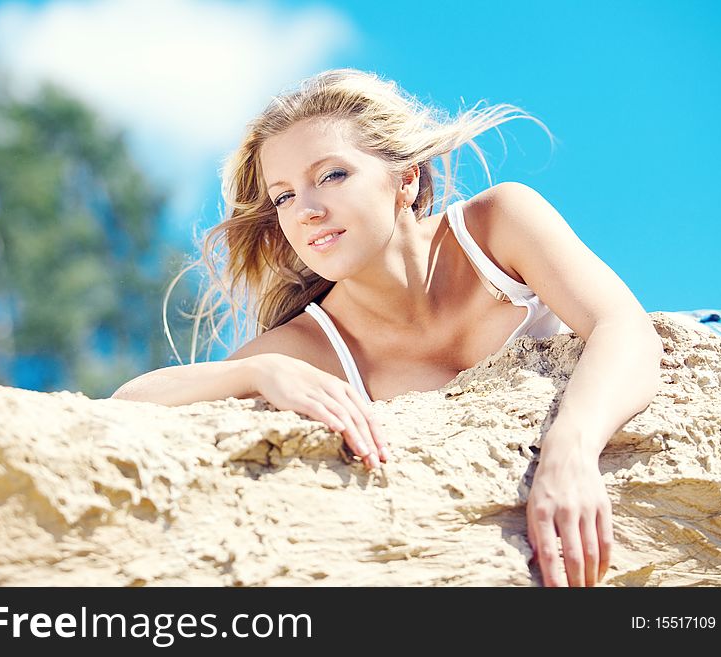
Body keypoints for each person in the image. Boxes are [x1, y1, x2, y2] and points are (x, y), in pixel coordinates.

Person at [112, 69, 664, 587]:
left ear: (405, 178)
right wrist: (260, 368)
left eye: (331, 175)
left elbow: (622, 327)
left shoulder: (496, 226)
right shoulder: (313, 344)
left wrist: (570, 452)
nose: (304, 209)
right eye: (283, 196)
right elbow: (131, 401)